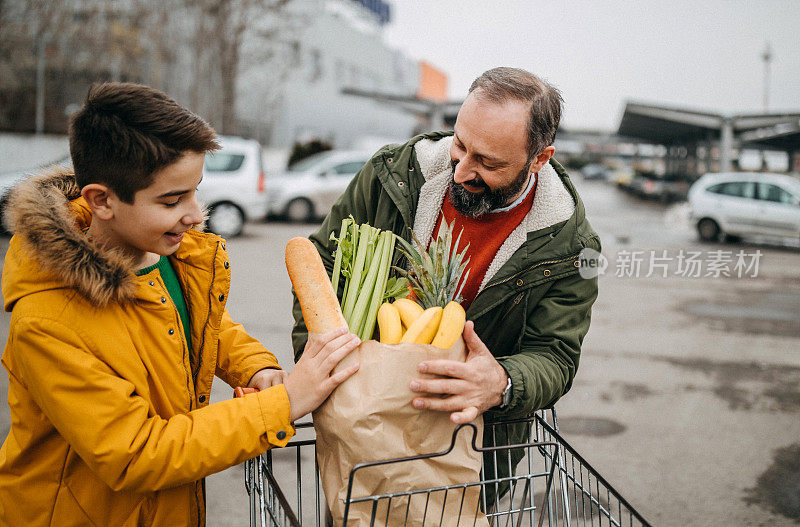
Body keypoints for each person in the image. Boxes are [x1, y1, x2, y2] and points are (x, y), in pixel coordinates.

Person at [0, 82, 359, 526]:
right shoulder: (47, 321)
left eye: (195, 191)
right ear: (102, 200)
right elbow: (136, 453)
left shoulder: (166, 254)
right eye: (172, 200)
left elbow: (204, 325)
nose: (195, 214)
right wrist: (284, 404)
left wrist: (257, 369)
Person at [292, 66, 600, 431]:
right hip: (357, 415)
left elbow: (555, 355)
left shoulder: (573, 248)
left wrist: (503, 381)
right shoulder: (392, 174)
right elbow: (321, 268)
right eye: (460, 144)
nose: (461, 172)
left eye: (488, 162)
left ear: (539, 159)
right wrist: (317, 362)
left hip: (472, 442)